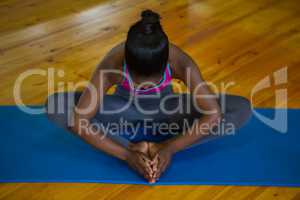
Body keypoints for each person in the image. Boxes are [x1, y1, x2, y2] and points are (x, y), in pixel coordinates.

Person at [46, 10, 252, 183]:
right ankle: (137, 146)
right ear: (126, 62)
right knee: (56, 106)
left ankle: (159, 143)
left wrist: (169, 149)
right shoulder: (112, 64)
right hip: (123, 110)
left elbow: (213, 114)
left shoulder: (180, 63)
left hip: (168, 111)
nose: (143, 87)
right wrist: (127, 154)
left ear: (166, 66)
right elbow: (79, 121)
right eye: (137, 83)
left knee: (241, 108)